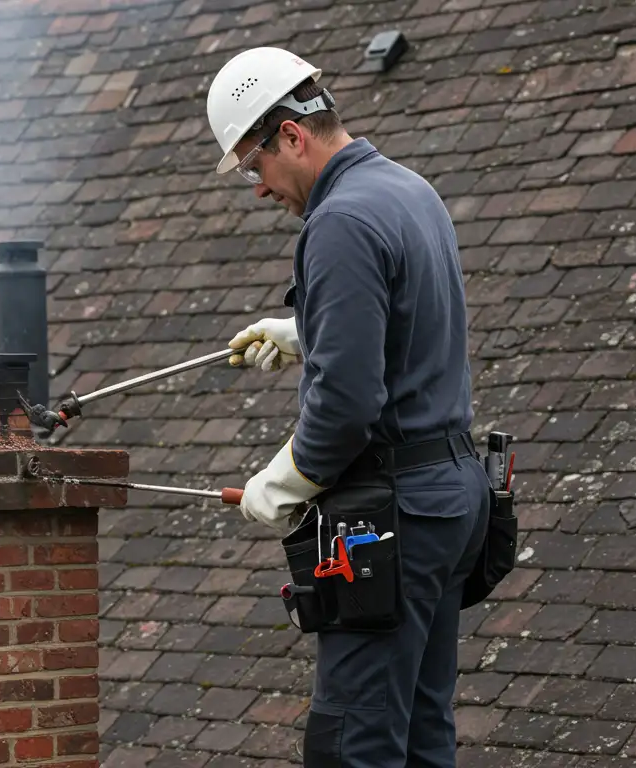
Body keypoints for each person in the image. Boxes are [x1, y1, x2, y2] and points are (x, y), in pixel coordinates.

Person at [205, 48, 491, 767]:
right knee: (421, 731)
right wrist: (309, 332)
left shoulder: (337, 224)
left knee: (354, 744)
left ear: (291, 137)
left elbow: (345, 408)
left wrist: (284, 482)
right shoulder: (407, 189)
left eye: (252, 166)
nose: (257, 187)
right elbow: (409, 321)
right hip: (452, 499)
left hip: (396, 515)